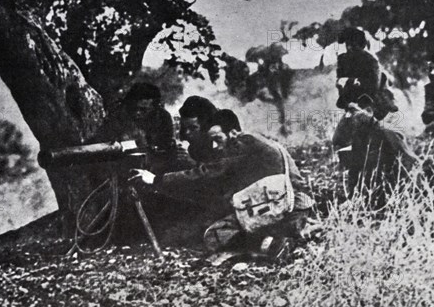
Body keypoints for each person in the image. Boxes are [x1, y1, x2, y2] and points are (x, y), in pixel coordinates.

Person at [130, 110, 315, 258]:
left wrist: (155, 179)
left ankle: (275, 245)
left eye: (218, 139)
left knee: (213, 236)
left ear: (233, 132)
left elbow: (207, 173)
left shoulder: (243, 143)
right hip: (292, 204)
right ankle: (286, 237)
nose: (215, 146)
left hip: (289, 209)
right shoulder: (255, 142)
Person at [333, 100, 417, 205]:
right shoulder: (358, 132)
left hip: (389, 183)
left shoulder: (386, 132)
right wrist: (352, 197)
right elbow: (338, 142)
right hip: (370, 184)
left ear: (369, 112)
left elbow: (408, 159)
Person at [336, 28, 398, 120]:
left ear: (361, 45)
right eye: (347, 44)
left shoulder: (371, 61)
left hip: (372, 105)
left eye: (353, 45)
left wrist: (353, 82)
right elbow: (340, 83)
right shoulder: (343, 60)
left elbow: (373, 86)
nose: (349, 48)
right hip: (350, 104)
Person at [98, 82, 175, 153]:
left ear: (155, 108)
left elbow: (168, 146)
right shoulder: (119, 114)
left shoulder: (163, 118)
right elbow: (107, 144)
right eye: (133, 108)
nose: (137, 113)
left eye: (143, 110)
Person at [178, 95, 219, 164]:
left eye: (193, 128)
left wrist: (193, 163)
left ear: (207, 127)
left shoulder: (219, 147)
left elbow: (216, 171)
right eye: (184, 127)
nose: (186, 132)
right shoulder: (191, 147)